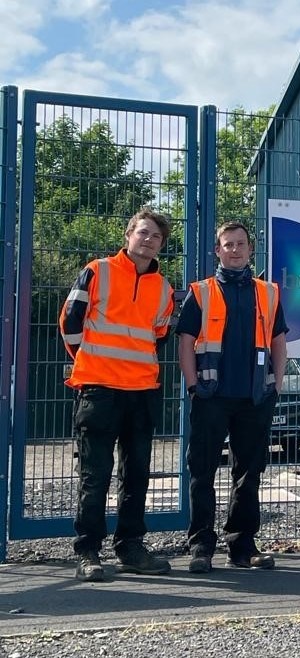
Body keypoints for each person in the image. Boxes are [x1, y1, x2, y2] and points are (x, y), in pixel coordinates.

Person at [59, 208, 175, 582]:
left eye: (156, 237)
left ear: (161, 245)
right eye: (143, 233)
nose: (148, 240)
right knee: (96, 475)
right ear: (128, 235)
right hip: (100, 389)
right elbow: (69, 321)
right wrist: (88, 360)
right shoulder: (98, 271)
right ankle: (88, 552)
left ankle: (131, 548)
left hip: (141, 391)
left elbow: (159, 334)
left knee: (137, 474)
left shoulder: (164, 288)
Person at [177, 221, 288, 574]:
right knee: (202, 471)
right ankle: (201, 547)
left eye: (241, 244)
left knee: (249, 473)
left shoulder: (268, 293)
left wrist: (277, 384)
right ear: (218, 251)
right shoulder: (202, 291)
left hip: (254, 397)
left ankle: (242, 546)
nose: (235, 250)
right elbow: (185, 341)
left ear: (250, 250)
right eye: (228, 245)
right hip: (211, 395)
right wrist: (194, 385)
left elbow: (278, 341)